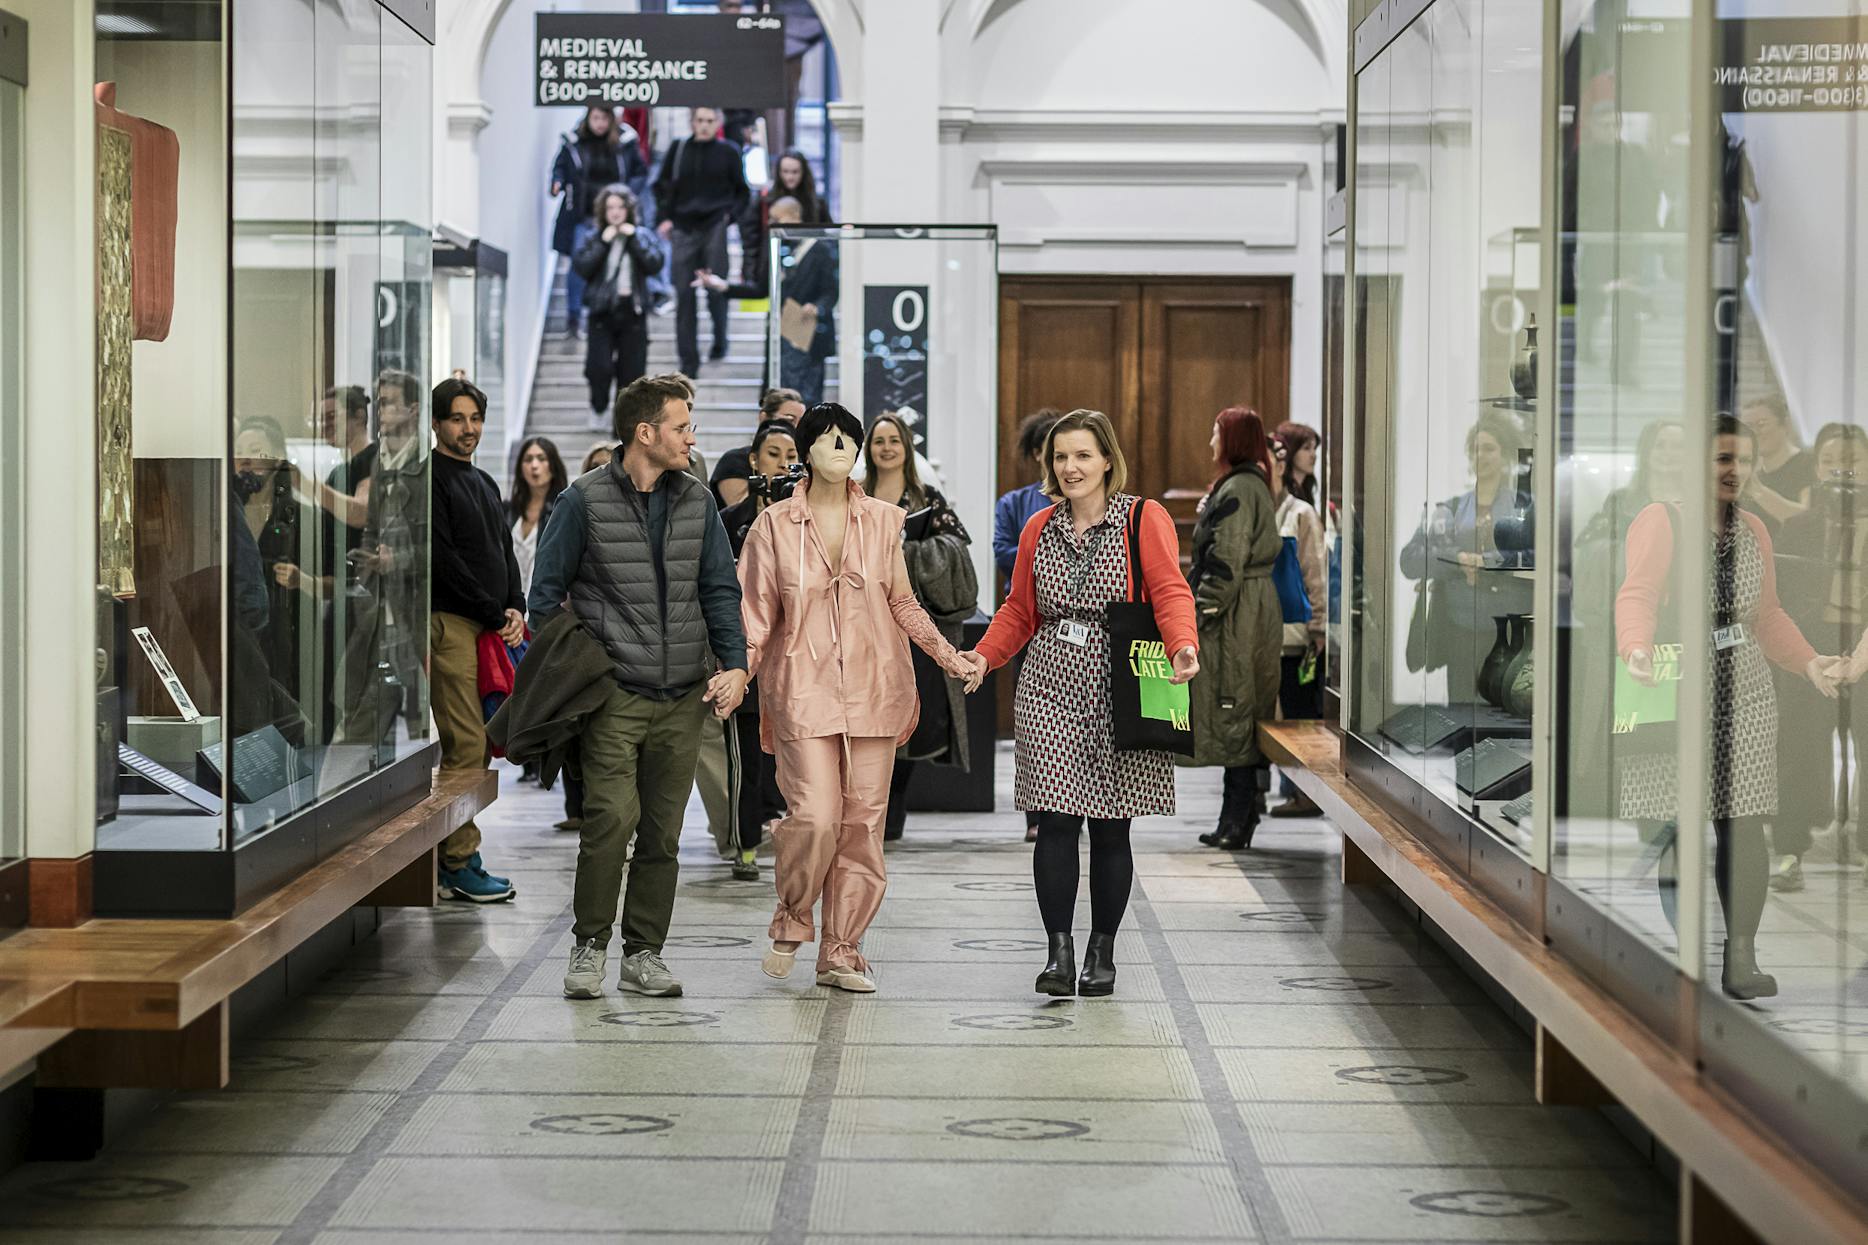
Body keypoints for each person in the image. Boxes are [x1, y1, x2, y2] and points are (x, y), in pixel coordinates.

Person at [738, 403, 984, 993]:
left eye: (849, 438)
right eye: (827, 438)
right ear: (805, 452)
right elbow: (755, 618)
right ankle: (794, 916)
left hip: (876, 686)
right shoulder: (773, 526)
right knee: (816, 815)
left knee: (863, 824)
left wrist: (951, 658)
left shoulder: (882, 521)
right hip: (802, 688)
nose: (842, 446)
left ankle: (842, 949)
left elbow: (902, 602)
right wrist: (734, 676)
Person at [533, 374, 750, 1001]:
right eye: (682, 426)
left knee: (661, 830)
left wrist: (733, 663)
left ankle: (644, 952)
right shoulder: (582, 501)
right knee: (609, 820)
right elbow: (546, 598)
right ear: (645, 432)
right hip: (615, 695)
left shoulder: (697, 500)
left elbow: (718, 588)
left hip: (684, 694)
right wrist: (587, 666)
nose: (691, 437)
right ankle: (589, 945)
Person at [969, 409, 1198, 998]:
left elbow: (1171, 588)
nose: (1070, 468)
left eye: (1082, 456)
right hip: (1047, 681)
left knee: (1111, 825)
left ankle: (1103, 950)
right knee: (1055, 818)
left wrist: (1183, 648)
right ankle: (1058, 953)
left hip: (1120, 677)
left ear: (1106, 462)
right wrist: (984, 658)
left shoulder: (1143, 518)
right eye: (1060, 457)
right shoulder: (1037, 527)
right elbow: (1020, 609)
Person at [1616, 415, 1841, 998]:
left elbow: (1766, 615)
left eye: (1745, 460)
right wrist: (1635, 648)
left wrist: (1810, 661)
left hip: (1745, 688)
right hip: (1676, 683)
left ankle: (1741, 958)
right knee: (1677, 828)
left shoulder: (1755, 532)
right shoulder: (1662, 519)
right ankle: (1685, 953)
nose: (1735, 471)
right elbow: (1636, 592)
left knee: (1743, 825)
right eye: (1722, 459)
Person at [863, 412, 980, 841]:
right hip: (867, 626)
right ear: (869, 449)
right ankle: (869, 813)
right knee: (871, 718)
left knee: (912, 718)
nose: (887, 448)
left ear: (907, 447)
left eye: (895, 440)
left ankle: (894, 815)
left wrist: (908, 552)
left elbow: (956, 548)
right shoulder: (855, 495)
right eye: (879, 441)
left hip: (916, 625)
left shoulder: (927, 496)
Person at [429, 377, 523, 903]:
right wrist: (492, 609)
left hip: (489, 624)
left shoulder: (483, 480)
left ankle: (455, 855)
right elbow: (444, 562)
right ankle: (459, 861)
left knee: (480, 740)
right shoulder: (431, 479)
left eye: (476, 419)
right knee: (465, 741)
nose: (469, 429)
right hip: (452, 623)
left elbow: (502, 550)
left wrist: (515, 606)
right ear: (438, 423)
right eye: (458, 419)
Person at [1769, 423, 1868, 890]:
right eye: (1831, 460)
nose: (1842, 470)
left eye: (1854, 459)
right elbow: (1780, 598)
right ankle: (1790, 851)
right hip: (1811, 649)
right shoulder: (1800, 526)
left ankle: (1863, 846)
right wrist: (1807, 653)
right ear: (1817, 468)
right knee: (1798, 747)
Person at [1183, 408, 1284, 848]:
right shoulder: (1245, 483)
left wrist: (1199, 614)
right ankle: (1234, 819)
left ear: (1234, 441)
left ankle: (1239, 821)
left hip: (1237, 615)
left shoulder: (1241, 486)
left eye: (1216, 433)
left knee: (1236, 707)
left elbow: (1226, 560)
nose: (1210, 443)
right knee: (1240, 708)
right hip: (1246, 608)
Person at [1398, 410, 1534, 701]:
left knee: (1505, 713)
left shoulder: (1523, 507)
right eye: (1474, 449)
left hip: (1509, 633)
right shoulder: (1450, 509)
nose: (1480, 456)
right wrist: (1458, 559)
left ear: (1505, 454)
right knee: (1461, 712)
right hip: (1459, 628)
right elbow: (1410, 559)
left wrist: (1487, 562)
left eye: (1489, 448)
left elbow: (1537, 555)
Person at [716, 420, 801, 880]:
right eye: (772, 452)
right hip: (746, 657)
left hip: (798, 659)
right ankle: (745, 846)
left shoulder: (808, 522)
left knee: (798, 761)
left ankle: (801, 845)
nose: (782, 461)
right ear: (753, 461)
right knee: (748, 762)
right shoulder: (729, 522)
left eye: (791, 453)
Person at [993, 408, 1063, 841]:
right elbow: (1004, 551)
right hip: (1031, 626)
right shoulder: (1016, 504)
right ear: (1039, 452)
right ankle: (1036, 814)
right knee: (1035, 725)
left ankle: (1076, 803)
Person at [653, 106, 749, 377]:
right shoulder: (679, 149)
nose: (704, 125)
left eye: (709, 121)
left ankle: (720, 340)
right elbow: (661, 186)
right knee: (684, 295)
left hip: (715, 225)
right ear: (692, 122)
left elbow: (742, 191)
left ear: (717, 123)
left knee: (716, 289)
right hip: (682, 227)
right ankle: (688, 360)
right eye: (700, 120)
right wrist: (664, 217)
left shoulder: (729, 151)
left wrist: (729, 217)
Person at [1267, 433, 1329, 819]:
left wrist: (1319, 624)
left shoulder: (1301, 512)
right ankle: (1277, 788)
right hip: (1260, 632)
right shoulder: (1256, 510)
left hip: (1294, 631)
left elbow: (1315, 571)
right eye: (1305, 448)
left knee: (1297, 713)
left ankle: (1303, 791)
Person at [572, 185, 667, 426]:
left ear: (629, 209)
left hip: (632, 311)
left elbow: (655, 264)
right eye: (610, 207)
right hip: (601, 312)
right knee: (598, 367)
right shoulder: (593, 236)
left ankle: (622, 423)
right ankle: (599, 406)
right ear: (602, 211)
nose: (615, 212)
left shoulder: (641, 235)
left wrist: (633, 238)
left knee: (631, 372)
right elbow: (582, 267)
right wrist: (604, 243)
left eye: (620, 207)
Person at [552, 105, 649, 339]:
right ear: (588, 118)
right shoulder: (574, 143)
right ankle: (575, 317)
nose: (600, 124)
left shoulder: (625, 142)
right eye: (596, 118)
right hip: (583, 215)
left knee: (618, 264)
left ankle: (611, 315)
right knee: (579, 265)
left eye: (604, 118)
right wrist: (557, 181)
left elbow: (640, 172)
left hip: (616, 216)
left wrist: (627, 196)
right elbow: (560, 167)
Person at [741, 149, 832, 279]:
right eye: (785, 172)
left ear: (803, 172)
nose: (790, 177)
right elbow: (751, 241)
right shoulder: (765, 202)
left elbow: (826, 237)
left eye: (795, 172)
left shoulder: (817, 204)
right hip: (771, 266)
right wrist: (750, 273)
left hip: (808, 269)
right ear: (779, 173)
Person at [712, 387, 805, 508]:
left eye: (791, 456)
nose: (796, 427)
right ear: (764, 417)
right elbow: (738, 512)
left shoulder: (801, 464)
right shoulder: (734, 460)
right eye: (790, 419)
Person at [508, 437, 568, 604]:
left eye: (541, 459)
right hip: (508, 609)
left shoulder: (562, 511)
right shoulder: (508, 511)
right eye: (528, 459)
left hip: (543, 609)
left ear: (553, 466)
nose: (534, 466)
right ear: (520, 467)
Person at [1741, 394, 1811, 528]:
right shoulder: (1757, 476)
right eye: (1748, 427)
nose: (1754, 432)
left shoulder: (1809, 465)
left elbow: (1809, 520)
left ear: (1785, 425)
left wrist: (1758, 491)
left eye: (1761, 424)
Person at [1275, 420, 1322, 509]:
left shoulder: (1306, 491)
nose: (1313, 455)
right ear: (1291, 450)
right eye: (1306, 448)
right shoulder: (1281, 493)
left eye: (1314, 448)